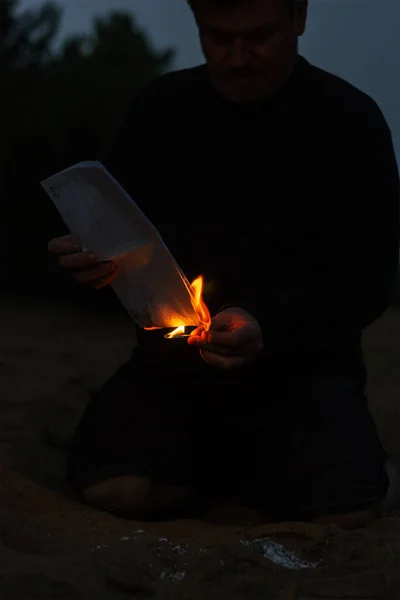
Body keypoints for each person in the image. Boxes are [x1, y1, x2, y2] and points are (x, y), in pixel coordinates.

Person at [48, 0, 400, 527]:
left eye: (259, 36)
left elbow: (367, 279)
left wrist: (268, 323)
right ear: (197, 23)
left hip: (303, 371)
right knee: (113, 490)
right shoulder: (161, 109)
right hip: (172, 371)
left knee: (349, 507)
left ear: (299, 18)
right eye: (218, 38)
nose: (238, 58)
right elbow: (113, 234)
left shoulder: (350, 119)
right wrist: (87, 265)